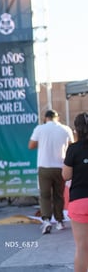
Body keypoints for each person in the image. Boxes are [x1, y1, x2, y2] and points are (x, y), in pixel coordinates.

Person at [28, 109, 74, 234]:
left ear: (45, 118)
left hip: (44, 166)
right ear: (57, 118)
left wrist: (43, 143)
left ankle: (47, 220)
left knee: (45, 195)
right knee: (59, 195)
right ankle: (59, 221)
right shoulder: (66, 129)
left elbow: (31, 145)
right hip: (60, 166)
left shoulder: (40, 129)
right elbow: (72, 146)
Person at [62, 112, 88, 272]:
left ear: (76, 130)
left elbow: (66, 175)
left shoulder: (73, 149)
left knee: (82, 248)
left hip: (79, 201)